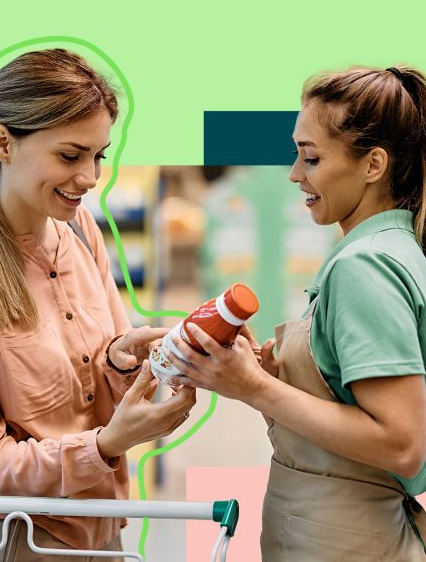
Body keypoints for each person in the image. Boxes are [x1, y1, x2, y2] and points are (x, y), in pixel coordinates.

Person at [0, 48, 196, 561]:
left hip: (97, 525)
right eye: (70, 156)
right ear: (3, 143)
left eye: (99, 155)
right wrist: (106, 446)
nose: (90, 177)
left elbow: (96, 373)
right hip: (10, 539)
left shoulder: (79, 230)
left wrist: (129, 359)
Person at [168, 65, 426, 560]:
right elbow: (355, 409)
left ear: (373, 165)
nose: (294, 174)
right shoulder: (389, 248)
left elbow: (401, 445)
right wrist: (265, 379)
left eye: (311, 158)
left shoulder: (364, 265)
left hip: (344, 540)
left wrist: (253, 387)